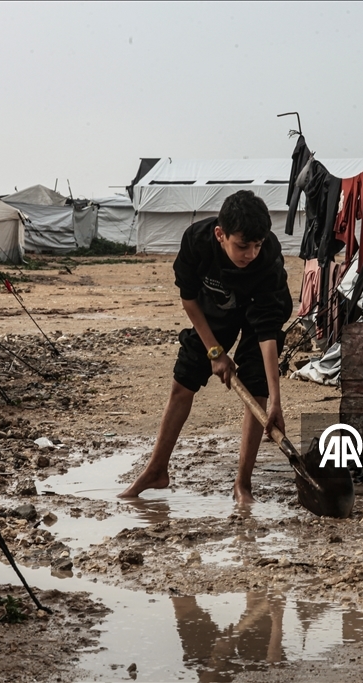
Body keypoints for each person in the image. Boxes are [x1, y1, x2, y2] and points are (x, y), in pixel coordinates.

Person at [118, 190, 293, 504]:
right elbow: (188, 298)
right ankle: (156, 470)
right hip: (215, 308)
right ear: (220, 234)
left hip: (260, 312)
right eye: (242, 246)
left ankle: (243, 485)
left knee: (255, 386)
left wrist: (275, 403)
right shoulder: (196, 241)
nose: (251, 253)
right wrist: (215, 352)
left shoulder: (267, 260)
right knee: (184, 379)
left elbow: (267, 333)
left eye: (258, 245)